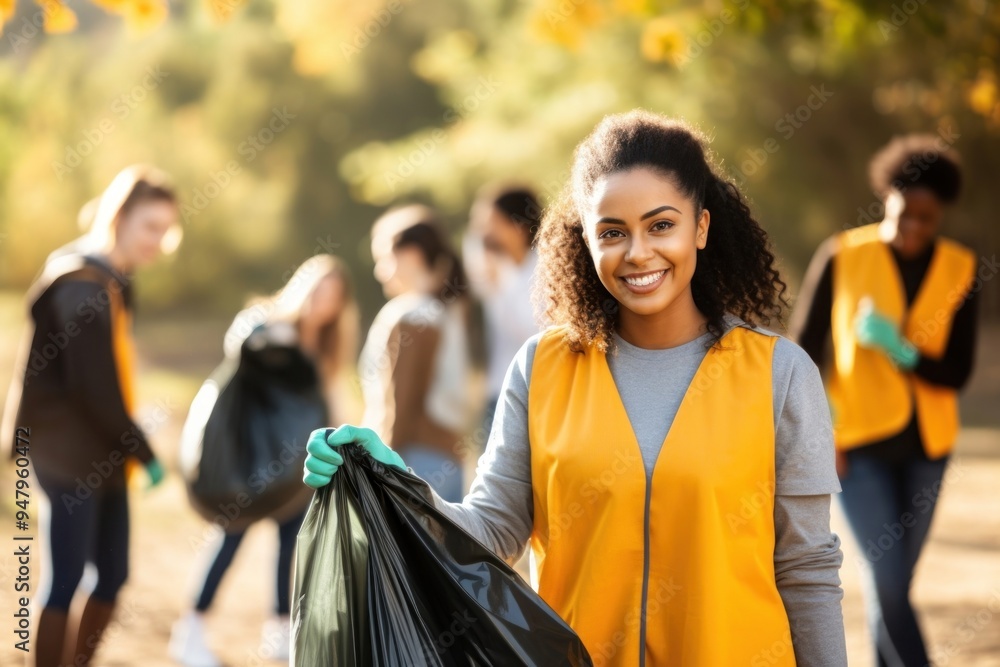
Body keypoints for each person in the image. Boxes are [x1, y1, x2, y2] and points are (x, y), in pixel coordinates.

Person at [303, 110, 847, 666]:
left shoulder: (779, 375)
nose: (637, 253)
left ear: (701, 227)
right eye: (612, 232)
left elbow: (806, 569)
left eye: (661, 225)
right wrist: (394, 481)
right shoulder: (543, 367)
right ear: (585, 240)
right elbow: (490, 530)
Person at [789, 134, 978, 666]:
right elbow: (802, 355)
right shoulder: (843, 254)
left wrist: (903, 351)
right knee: (889, 582)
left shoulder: (961, 269)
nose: (914, 228)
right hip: (859, 447)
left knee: (890, 585)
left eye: (927, 218)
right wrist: (820, 432)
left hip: (928, 448)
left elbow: (958, 372)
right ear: (886, 200)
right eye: (904, 215)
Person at [1, 165, 181, 667]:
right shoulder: (81, 281)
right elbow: (93, 390)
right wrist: (145, 453)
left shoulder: (112, 280)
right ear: (119, 216)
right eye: (150, 226)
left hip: (102, 450)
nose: (158, 241)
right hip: (64, 450)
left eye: (166, 230)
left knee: (113, 573)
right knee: (63, 580)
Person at [169, 254, 359, 667]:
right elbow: (239, 349)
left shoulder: (325, 349)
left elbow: (330, 401)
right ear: (301, 284)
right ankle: (191, 629)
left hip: (295, 470)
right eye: (317, 287)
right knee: (230, 537)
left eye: (332, 295)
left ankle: (278, 631)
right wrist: (275, 337)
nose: (321, 300)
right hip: (247, 460)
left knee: (291, 542)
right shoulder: (263, 321)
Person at [357, 205, 474, 502]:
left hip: (411, 461)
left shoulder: (412, 315)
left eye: (384, 258)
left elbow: (401, 401)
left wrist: (381, 466)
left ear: (411, 254)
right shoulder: (448, 310)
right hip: (447, 459)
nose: (378, 271)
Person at [463, 183, 545, 435]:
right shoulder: (497, 266)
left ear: (518, 227)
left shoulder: (544, 270)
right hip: (496, 388)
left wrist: (501, 289)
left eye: (493, 223)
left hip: (536, 390)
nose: (486, 234)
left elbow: (532, 335)